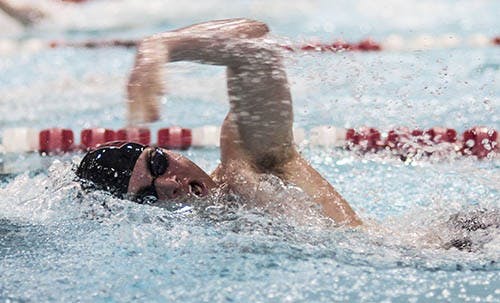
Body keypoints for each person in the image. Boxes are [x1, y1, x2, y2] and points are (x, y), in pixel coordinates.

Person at [77, 18, 363, 227]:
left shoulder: (249, 168)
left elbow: (254, 46)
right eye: (148, 196)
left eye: (158, 163)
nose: (168, 184)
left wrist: (160, 46)